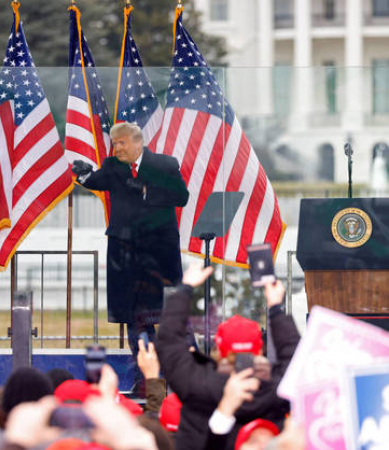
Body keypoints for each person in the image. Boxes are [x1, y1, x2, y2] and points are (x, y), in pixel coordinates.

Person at [72, 121, 189, 395]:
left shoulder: (164, 165)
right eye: (114, 143)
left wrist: (145, 190)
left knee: (171, 315)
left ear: (138, 142)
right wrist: (84, 175)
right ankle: (145, 381)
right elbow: (97, 180)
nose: (117, 148)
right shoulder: (113, 165)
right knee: (135, 317)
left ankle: (180, 376)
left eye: (121, 143)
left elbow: (181, 196)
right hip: (124, 255)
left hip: (159, 254)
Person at [157, 264, 300, 450]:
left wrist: (185, 289)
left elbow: (169, 343)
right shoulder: (277, 388)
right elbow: (294, 357)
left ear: (219, 348)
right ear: (259, 349)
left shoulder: (197, 384)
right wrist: (275, 309)